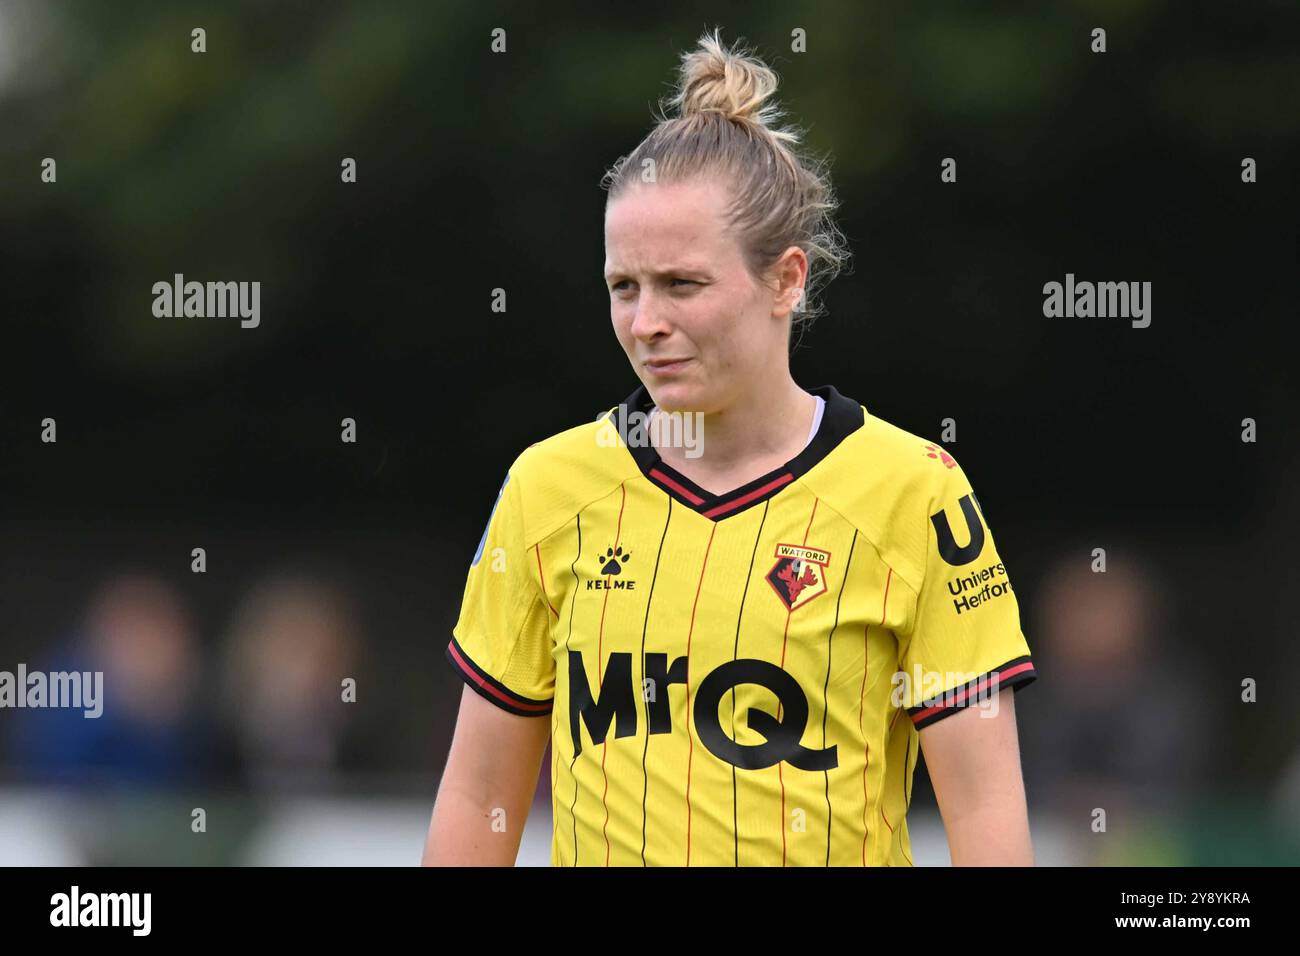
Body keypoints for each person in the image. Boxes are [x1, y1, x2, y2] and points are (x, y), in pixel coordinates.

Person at [423, 28, 1037, 867]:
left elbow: (985, 807)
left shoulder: (914, 490)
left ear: (786, 280)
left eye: (682, 284)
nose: (647, 324)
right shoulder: (549, 485)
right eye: (623, 287)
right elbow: (479, 796)